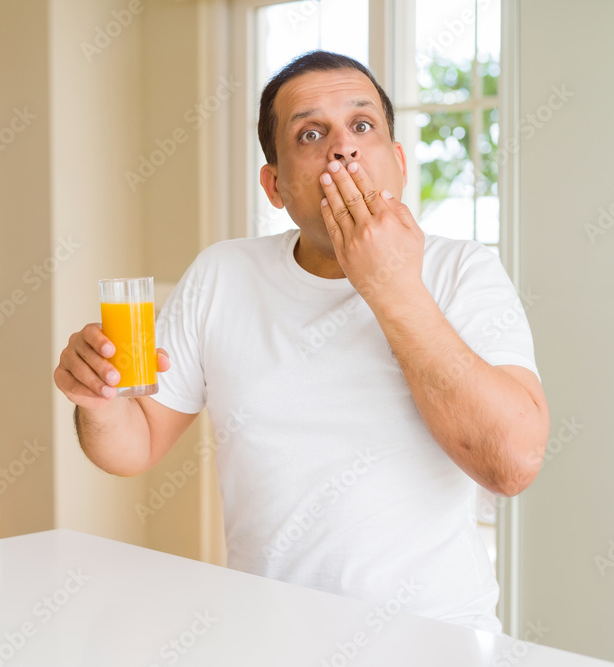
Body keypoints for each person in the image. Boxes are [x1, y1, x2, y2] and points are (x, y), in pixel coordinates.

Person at [54, 50, 550, 634]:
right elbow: (132, 445)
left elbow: (512, 465)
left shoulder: (463, 271)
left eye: (362, 125)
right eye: (311, 134)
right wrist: (97, 400)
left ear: (397, 162)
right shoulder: (222, 275)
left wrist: (391, 287)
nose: (343, 148)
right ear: (274, 186)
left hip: (435, 638)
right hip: (268, 635)